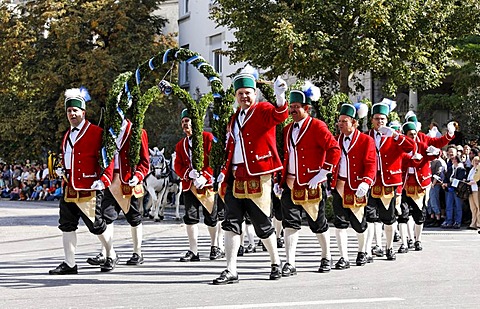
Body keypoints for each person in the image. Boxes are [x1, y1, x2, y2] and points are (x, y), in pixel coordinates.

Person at [213, 73, 289, 284]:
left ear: (255, 93)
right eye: (240, 93)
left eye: (248, 93)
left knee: (263, 224)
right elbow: (231, 146)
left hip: (259, 175)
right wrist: (222, 172)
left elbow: (280, 115)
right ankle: (231, 269)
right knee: (231, 224)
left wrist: (280, 96)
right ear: (236, 95)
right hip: (235, 177)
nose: (244, 97)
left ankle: (275, 263)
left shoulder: (263, 109)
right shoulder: (235, 117)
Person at [277, 85, 341, 276]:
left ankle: (326, 256)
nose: (293, 110)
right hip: (290, 183)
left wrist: (324, 172)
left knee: (318, 223)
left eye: (297, 106)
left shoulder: (317, 126)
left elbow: (334, 149)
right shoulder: (287, 129)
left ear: (307, 109)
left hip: (312, 182)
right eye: (292, 106)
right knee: (290, 223)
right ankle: (290, 263)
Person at [49, 87, 111, 275]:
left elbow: (109, 158)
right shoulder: (67, 134)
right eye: (69, 111)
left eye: (75, 110)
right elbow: (69, 157)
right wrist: (61, 169)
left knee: (97, 226)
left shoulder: (97, 132)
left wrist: (104, 179)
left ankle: (111, 253)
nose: (72, 114)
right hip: (69, 187)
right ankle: (70, 263)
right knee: (66, 225)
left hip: (89, 186)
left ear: (83, 112)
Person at [86, 117, 150, 270]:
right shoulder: (107, 133)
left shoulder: (138, 132)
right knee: (105, 216)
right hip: (109, 180)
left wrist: (138, 175)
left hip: (128, 180)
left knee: (133, 217)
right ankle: (106, 253)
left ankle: (137, 252)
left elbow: (145, 161)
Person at [365, 100, 416, 261]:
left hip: (389, 182)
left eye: (382, 119)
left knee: (389, 217)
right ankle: (374, 247)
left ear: (386, 120)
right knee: (371, 217)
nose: (380, 122)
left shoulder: (394, 137)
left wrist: (395, 135)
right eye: (377, 118)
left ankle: (389, 247)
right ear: (371, 120)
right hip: (370, 182)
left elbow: (411, 147)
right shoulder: (366, 136)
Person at [330, 103, 377, 269]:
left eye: (345, 121)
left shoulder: (366, 140)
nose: (341, 124)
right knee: (339, 223)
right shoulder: (336, 140)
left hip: (357, 186)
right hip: (340, 185)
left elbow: (371, 164)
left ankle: (363, 251)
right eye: (339, 121)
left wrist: (366, 181)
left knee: (359, 224)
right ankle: (343, 257)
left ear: (354, 123)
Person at [174, 108, 223, 262]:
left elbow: (215, 160)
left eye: (187, 121)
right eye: (182, 122)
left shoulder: (207, 138)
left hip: (207, 185)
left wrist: (205, 175)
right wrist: (188, 174)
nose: (185, 125)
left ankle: (215, 247)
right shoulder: (180, 144)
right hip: (189, 186)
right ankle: (193, 251)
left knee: (212, 217)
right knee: (190, 218)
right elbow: (178, 165)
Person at [442, 155, 466, 229]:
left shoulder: (461, 169)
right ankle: (449, 221)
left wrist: (448, 184)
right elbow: (447, 177)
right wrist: (444, 183)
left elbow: (459, 180)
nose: (452, 160)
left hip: (457, 190)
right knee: (449, 206)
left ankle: (457, 222)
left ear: (456, 160)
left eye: (453, 159)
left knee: (458, 206)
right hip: (450, 189)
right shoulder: (451, 168)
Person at [467, 156, 480, 229]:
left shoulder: (479, 169)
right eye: (475, 161)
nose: (476, 162)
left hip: (476, 189)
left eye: (477, 161)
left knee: (478, 207)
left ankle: (479, 223)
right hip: (471, 190)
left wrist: (473, 182)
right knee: (473, 207)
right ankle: (473, 223)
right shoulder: (472, 169)